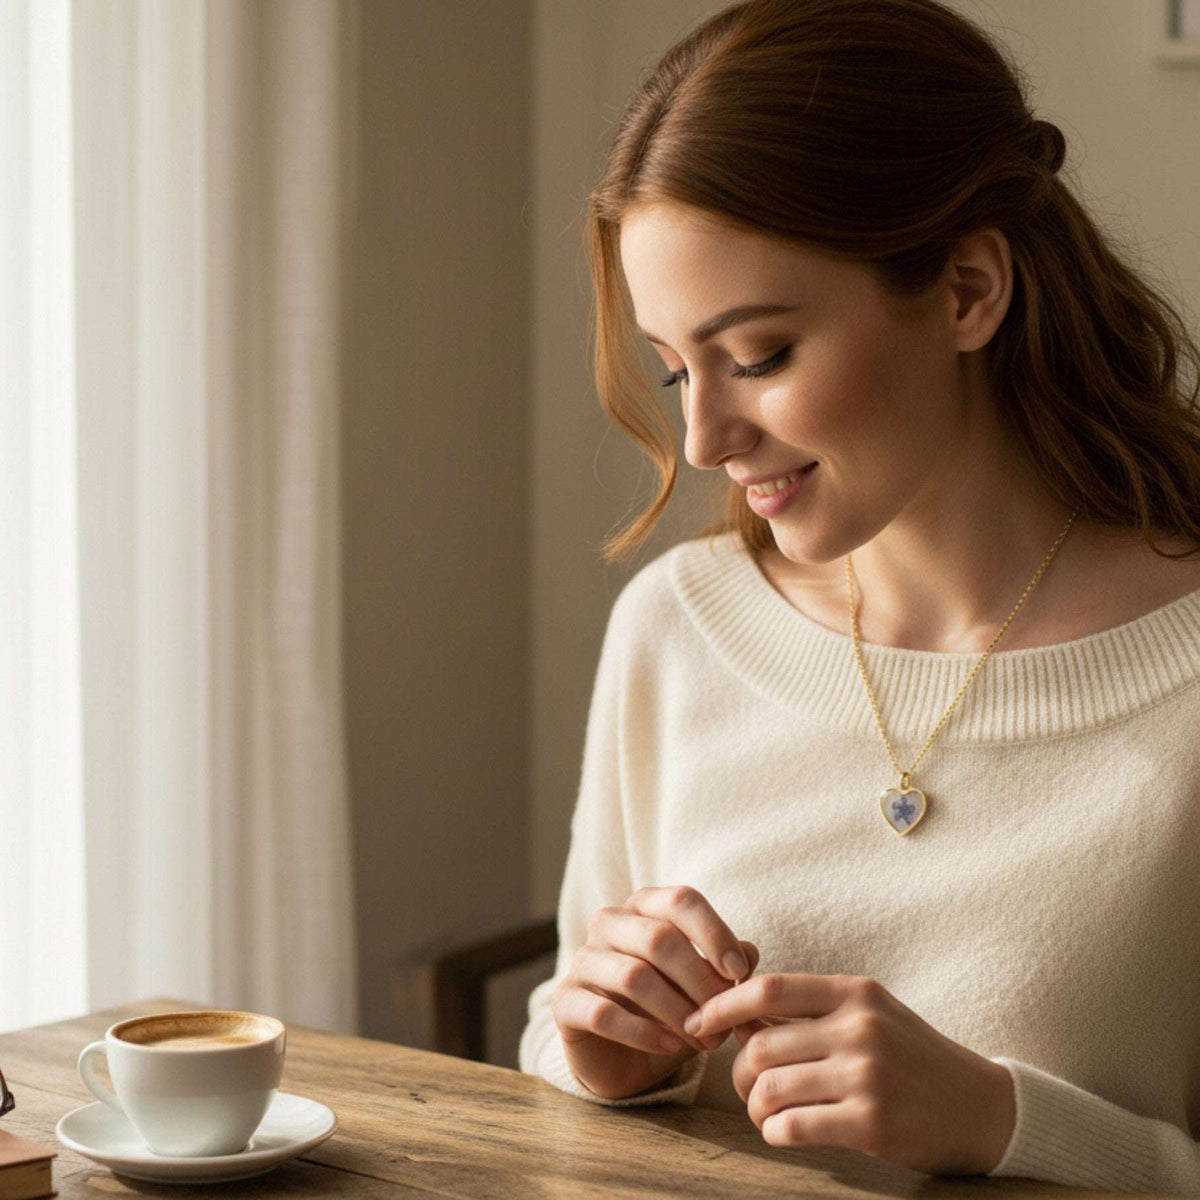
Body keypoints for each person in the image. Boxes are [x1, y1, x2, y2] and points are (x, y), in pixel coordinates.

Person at [518, 0, 1200, 1192]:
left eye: (762, 355)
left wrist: (1005, 1123)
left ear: (968, 290)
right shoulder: (678, 631)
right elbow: (553, 1063)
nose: (705, 435)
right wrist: (597, 1050)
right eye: (676, 367)